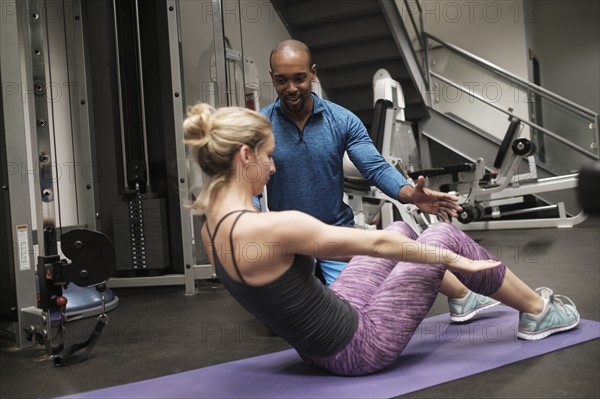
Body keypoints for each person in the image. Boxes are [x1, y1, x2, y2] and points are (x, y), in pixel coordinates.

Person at [183, 102, 580, 376]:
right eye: (269, 156)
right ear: (244, 157)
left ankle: (463, 296)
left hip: (319, 344)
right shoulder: (271, 227)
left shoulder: (212, 225)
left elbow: (379, 241)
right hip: (359, 347)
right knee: (441, 234)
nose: (274, 166)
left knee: (397, 228)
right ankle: (536, 312)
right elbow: (372, 247)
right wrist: (457, 259)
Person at [260, 39, 498, 322]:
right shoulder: (260, 125)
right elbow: (246, 184)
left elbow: (374, 167)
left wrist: (411, 194)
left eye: (299, 78)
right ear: (272, 78)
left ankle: (461, 296)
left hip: (335, 232)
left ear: (313, 73)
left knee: (351, 312)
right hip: (286, 240)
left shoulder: (342, 120)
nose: (291, 88)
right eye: (281, 80)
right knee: (284, 322)